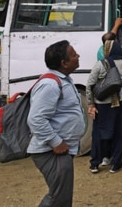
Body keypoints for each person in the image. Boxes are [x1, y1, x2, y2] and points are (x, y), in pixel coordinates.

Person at [27, 40, 86, 207]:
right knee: (58, 199)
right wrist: (56, 142)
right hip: (52, 151)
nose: (78, 56)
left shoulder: (64, 80)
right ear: (64, 63)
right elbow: (35, 119)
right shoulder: (50, 84)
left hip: (61, 149)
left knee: (62, 197)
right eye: (74, 55)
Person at [86, 40, 122, 174]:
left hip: (103, 102)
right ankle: (116, 163)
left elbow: (90, 84)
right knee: (121, 132)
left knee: (100, 131)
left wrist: (91, 103)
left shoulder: (100, 64)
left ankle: (95, 163)